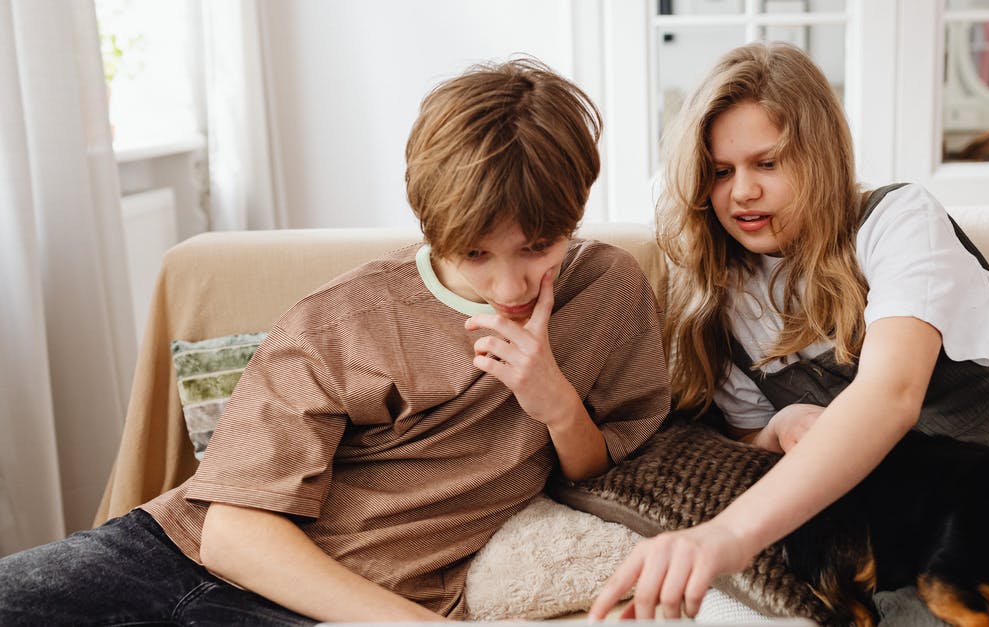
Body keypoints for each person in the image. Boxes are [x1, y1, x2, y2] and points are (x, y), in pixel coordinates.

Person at [0, 57, 671, 625]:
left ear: (575, 211)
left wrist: (553, 400)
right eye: (474, 253)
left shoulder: (607, 289)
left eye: (538, 247)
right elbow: (231, 531)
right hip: (178, 557)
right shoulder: (344, 320)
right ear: (433, 228)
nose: (509, 284)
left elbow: (609, 463)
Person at [588, 41, 989, 623]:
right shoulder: (720, 301)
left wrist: (725, 537)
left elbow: (890, 396)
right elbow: (748, 447)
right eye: (720, 171)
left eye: (767, 163)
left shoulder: (895, 221)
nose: (742, 191)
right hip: (933, 537)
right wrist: (773, 430)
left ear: (820, 159)